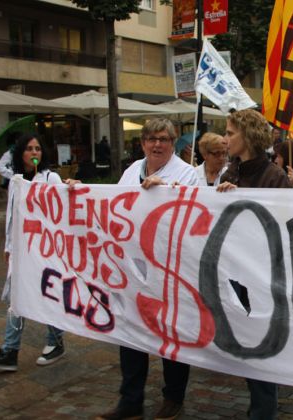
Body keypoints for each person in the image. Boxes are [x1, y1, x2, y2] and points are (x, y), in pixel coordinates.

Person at [99, 118, 197, 420]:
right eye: (152, 138)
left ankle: (174, 397)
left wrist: (164, 191)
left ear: (174, 142)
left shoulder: (188, 174)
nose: (157, 144)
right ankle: (131, 401)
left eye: (165, 139)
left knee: (170, 335)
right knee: (130, 334)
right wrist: (77, 193)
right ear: (142, 143)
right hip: (132, 268)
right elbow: (111, 207)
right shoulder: (131, 172)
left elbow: (193, 216)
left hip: (170, 270)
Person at [217, 109, 290, 419]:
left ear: (247, 136)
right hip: (234, 271)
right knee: (246, 343)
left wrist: (245, 200)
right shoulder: (228, 172)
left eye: (230, 133)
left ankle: (263, 410)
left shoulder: (274, 176)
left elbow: (284, 227)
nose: (225, 138)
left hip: (262, 276)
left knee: (260, 348)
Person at [0, 134, 65, 371]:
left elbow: (64, 206)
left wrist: (72, 187)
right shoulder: (16, 181)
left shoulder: (50, 177)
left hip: (46, 248)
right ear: (20, 154)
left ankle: (55, 342)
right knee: (18, 296)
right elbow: (12, 218)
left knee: (49, 294)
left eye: (38, 148)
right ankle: (10, 350)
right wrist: (9, 247)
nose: (34, 152)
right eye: (28, 149)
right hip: (22, 248)